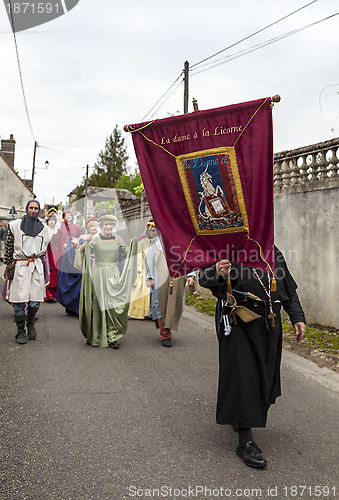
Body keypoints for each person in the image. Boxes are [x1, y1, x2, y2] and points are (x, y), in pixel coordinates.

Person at [198, 247, 306, 468]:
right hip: (240, 325)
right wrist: (218, 271)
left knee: (264, 377)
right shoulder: (227, 246)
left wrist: (297, 316)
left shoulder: (272, 250)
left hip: (269, 325)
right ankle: (245, 442)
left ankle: (242, 416)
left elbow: (289, 289)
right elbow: (204, 278)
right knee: (244, 378)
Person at [78, 214, 137, 348]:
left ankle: (112, 335)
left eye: (111, 224)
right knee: (99, 305)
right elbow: (84, 250)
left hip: (113, 274)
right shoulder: (95, 239)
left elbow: (125, 253)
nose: (109, 227)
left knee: (113, 304)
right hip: (98, 274)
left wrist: (133, 245)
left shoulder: (118, 238)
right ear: (101, 226)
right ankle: (98, 334)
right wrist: (83, 241)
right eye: (106, 224)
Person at [4, 199, 53, 344]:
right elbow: (9, 247)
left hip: (36, 266)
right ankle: (20, 331)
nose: (33, 210)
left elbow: (43, 253)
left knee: (35, 302)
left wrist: (43, 269)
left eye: (36, 208)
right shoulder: (14, 226)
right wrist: (8, 267)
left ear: (39, 210)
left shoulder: (45, 229)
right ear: (27, 208)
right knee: (19, 300)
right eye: (31, 207)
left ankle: (30, 322)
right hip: (20, 265)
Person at [145, 221, 195, 347]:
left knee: (175, 304)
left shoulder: (184, 244)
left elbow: (190, 261)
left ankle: (168, 328)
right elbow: (149, 261)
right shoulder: (155, 243)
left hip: (178, 277)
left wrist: (190, 276)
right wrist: (149, 277)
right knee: (159, 304)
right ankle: (165, 333)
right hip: (159, 278)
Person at [128, 221, 153, 320]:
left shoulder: (158, 242)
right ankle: (139, 312)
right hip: (143, 270)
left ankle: (151, 312)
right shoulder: (142, 241)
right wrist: (138, 270)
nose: (154, 233)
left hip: (154, 271)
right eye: (152, 231)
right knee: (141, 292)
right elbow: (138, 256)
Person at [44, 214, 61, 303]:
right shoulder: (45, 231)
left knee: (56, 273)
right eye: (50, 220)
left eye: (53, 220)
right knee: (48, 272)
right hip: (48, 253)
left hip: (57, 254)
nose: (52, 222)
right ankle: (48, 294)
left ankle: (55, 294)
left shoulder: (59, 231)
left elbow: (61, 243)